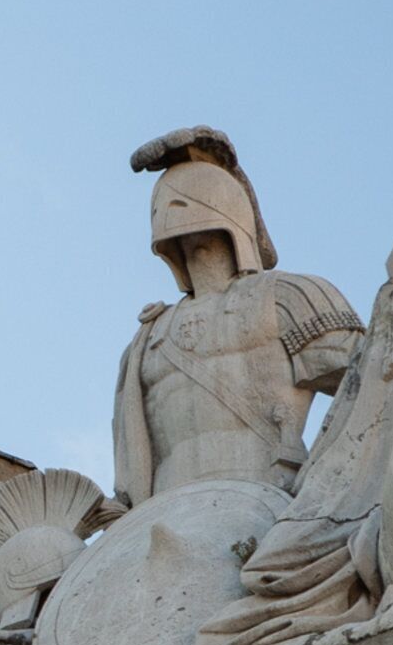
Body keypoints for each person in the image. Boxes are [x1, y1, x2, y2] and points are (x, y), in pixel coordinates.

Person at [109, 127, 359, 504]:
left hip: (269, 495)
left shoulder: (288, 296)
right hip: (159, 507)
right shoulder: (147, 339)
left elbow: (373, 386)